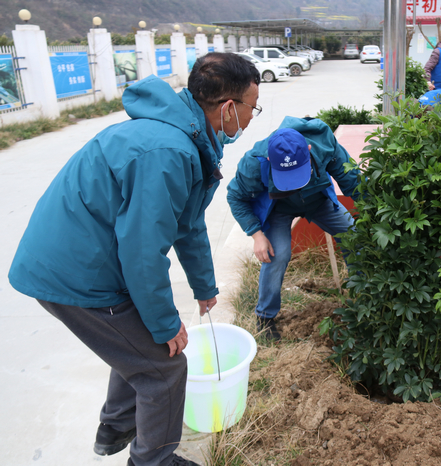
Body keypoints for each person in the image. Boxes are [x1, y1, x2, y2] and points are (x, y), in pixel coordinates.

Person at [8, 53, 261, 466]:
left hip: (83, 261)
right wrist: (165, 324)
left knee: (138, 347)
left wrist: (204, 287)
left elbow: (188, 222)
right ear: (229, 107)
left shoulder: (183, 135)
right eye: (253, 107)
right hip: (77, 274)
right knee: (164, 369)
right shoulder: (168, 150)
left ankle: (116, 426)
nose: (253, 117)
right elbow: (143, 252)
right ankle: (152, 461)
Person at [227, 117, 360, 341]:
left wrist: (374, 213)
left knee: (354, 235)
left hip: (319, 202)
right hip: (280, 208)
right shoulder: (254, 161)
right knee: (276, 255)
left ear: (308, 151)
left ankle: (362, 299)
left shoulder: (324, 143)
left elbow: (353, 182)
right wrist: (256, 235)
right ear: (270, 159)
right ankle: (265, 316)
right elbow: (235, 197)